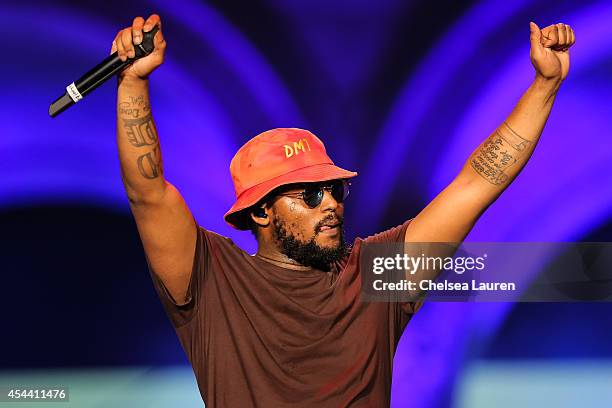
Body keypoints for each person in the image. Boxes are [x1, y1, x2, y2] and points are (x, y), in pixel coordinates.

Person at [112, 14, 575, 407]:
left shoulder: (374, 275)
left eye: (334, 190)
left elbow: (476, 184)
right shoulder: (211, 280)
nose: (331, 203)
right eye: (309, 195)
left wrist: (544, 85)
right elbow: (149, 193)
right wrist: (133, 82)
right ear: (260, 212)